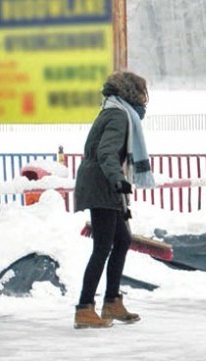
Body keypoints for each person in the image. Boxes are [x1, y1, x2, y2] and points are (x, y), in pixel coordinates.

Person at [72, 70, 155, 329]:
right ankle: (85, 308)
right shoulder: (119, 115)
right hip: (101, 184)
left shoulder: (117, 112)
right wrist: (117, 180)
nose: (144, 99)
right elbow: (106, 151)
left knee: (122, 240)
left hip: (104, 183)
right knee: (103, 246)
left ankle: (112, 301)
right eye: (142, 94)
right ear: (130, 94)